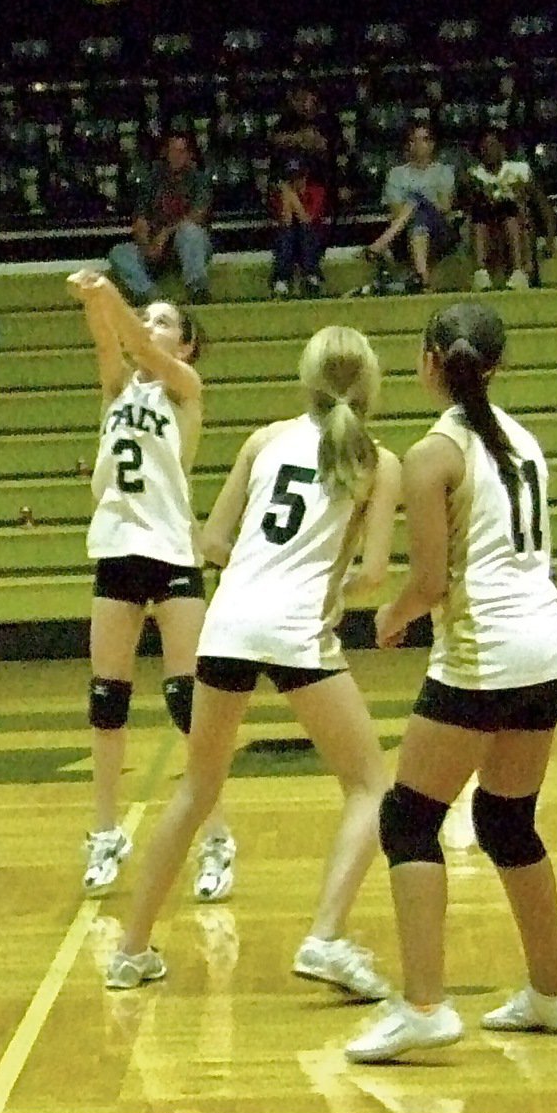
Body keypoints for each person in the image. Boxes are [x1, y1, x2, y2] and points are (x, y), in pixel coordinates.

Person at [104, 325, 402, 999]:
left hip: (229, 621)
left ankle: (129, 952)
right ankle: (325, 937)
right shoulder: (379, 461)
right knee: (369, 786)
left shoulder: (264, 439)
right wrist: (323, 588)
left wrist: (261, 576)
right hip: (297, 627)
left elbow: (209, 539)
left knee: (196, 790)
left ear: (306, 378)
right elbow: (376, 574)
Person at [344, 302, 557, 1065]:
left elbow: (427, 580)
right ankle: (554, 995)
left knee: (409, 820)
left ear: (426, 363)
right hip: (547, 649)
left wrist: (388, 616)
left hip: (485, 654)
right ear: (497, 367)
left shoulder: (431, 454)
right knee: (507, 822)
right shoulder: (524, 442)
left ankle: (422, 1005)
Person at [67, 270, 235, 902]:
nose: (152, 325)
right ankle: (106, 833)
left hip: (169, 551)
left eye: (166, 321)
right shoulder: (118, 390)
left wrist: (110, 296)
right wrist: (94, 302)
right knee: (107, 697)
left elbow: (135, 343)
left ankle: (216, 836)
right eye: (149, 315)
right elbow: (112, 347)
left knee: (187, 702)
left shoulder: (185, 390)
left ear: (185, 347)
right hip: (115, 549)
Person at [109, 131, 213, 306]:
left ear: (189, 155)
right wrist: (147, 246)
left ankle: (197, 289)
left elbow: (198, 215)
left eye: (181, 152)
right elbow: (140, 221)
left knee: (189, 231)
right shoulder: (152, 179)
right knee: (119, 252)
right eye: (173, 151)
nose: (176, 156)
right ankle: (151, 295)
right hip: (157, 248)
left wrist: (166, 233)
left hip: (188, 247)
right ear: (165, 153)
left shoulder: (199, 179)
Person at [366, 123, 457, 293]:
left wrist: (423, 201)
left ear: (431, 144)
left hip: (439, 231)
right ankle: (423, 278)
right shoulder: (396, 174)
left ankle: (381, 243)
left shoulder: (444, 172)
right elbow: (396, 212)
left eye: (423, 140)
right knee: (417, 215)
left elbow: (445, 208)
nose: (417, 145)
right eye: (413, 140)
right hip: (403, 232)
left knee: (418, 201)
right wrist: (418, 205)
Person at [462, 129, 555, 292]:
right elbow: (467, 203)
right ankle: (481, 273)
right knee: (480, 215)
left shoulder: (520, 170)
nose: (487, 150)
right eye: (483, 146)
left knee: (510, 213)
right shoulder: (474, 174)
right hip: (489, 228)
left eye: (491, 145)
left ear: (502, 147)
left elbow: (543, 205)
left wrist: (549, 238)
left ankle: (519, 271)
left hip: (517, 223)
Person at [270, 156, 328, 298]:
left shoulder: (317, 191)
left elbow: (306, 219)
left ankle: (311, 276)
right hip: (289, 239)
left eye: (298, 177)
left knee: (306, 232)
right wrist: (286, 197)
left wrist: (291, 196)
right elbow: (287, 221)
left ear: (305, 175)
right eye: (291, 178)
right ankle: (282, 279)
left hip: (314, 238)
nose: (295, 181)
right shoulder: (279, 195)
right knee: (286, 234)